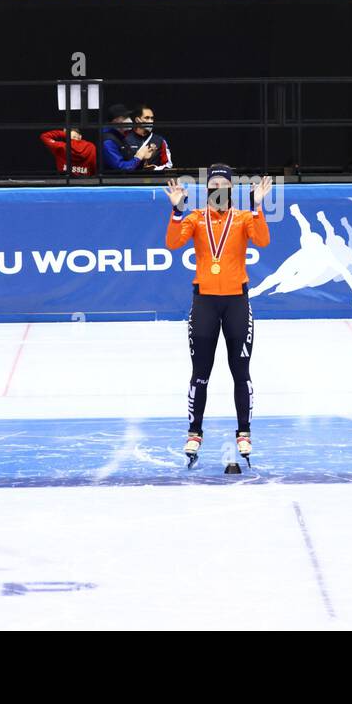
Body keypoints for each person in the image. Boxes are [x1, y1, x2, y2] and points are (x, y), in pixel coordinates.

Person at [163, 166, 273, 465]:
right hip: (205, 303)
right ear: (207, 188)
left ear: (232, 189)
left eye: (224, 184)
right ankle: (194, 431)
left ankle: (244, 431)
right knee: (200, 373)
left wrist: (258, 205)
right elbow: (173, 243)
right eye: (214, 183)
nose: (219, 188)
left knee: (241, 371)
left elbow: (262, 241)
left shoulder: (243, 218)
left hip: (237, 301)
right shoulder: (196, 218)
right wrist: (176, 211)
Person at [101, 105, 157, 171]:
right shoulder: (107, 141)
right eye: (125, 117)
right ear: (115, 120)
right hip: (112, 180)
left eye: (128, 116)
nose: (129, 119)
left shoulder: (119, 136)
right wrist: (138, 157)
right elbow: (121, 168)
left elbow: (129, 162)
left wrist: (142, 159)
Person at [125, 104, 173, 170]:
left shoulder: (160, 141)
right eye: (147, 118)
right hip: (131, 179)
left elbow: (168, 164)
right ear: (137, 120)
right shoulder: (125, 139)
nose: (151, 121)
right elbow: (121, 164)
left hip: (153, 179)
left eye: (152, 118)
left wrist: (154, 169)